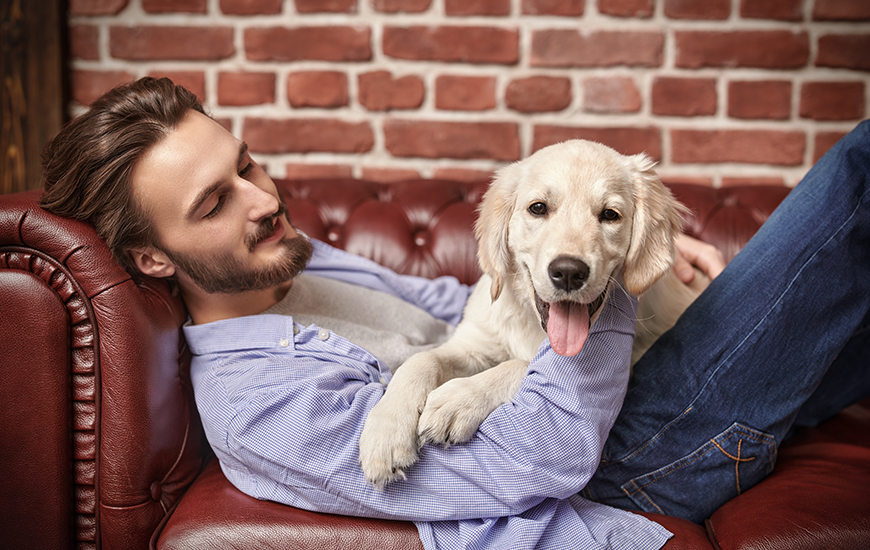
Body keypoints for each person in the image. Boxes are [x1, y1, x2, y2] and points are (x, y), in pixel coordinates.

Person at [39, 77, 870, 549]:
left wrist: (649, 252)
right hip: (617, 455)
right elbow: (538, 459)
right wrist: (605, 278)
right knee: (858, 168)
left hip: (617, 383)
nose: (264, 199)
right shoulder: (259, 408)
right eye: (217, 200)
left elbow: (462, 307)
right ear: (152, 257)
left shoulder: (292, 259)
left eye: (249, 165)